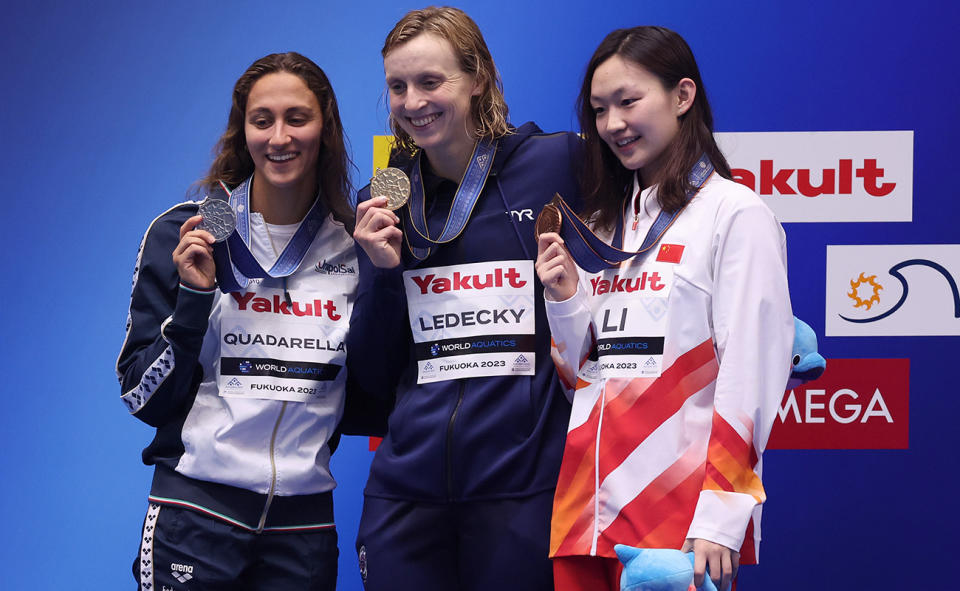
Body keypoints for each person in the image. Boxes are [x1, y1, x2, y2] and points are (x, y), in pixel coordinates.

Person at [535, 26, 793, 591]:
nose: (613, 125)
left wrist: (722, 517)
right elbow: (584, 379)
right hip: (585, 514)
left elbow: (752, 371)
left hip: (680, 524)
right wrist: (565, 300)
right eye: (600, 110)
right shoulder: (602, 223)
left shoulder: (735, 213)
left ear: (682, 96)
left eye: (629, 101)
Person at [348, 6, 581, 591]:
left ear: (478, 78)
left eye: (431, 81)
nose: (412, 102)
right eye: (397, 86)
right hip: (406, 493)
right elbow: (373, 375)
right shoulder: (383, 196)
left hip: (523, 487)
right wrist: (380, 272)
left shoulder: (558, 163)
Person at [116, 52, 357, 591]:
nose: (279, 137)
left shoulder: (352, 243)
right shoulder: (190, 231)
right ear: (241, 130)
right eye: (261, 119)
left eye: (297, 117)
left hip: (305, 525)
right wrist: (194, 301)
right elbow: (141, 397)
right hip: (196, 514)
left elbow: (369, 388)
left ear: (326, 128)